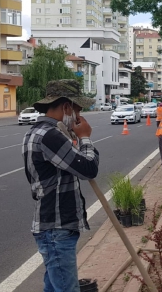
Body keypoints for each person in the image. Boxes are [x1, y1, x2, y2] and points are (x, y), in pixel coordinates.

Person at [23, 79, 99, 292]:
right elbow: (88, 168)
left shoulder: (42, 132)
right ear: (66, 106)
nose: (79, 116)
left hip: (54, 227)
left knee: (54, 287)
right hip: (56, 228)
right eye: (77, 109)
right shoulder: (49, 136)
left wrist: (75, 138)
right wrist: (85, 138)